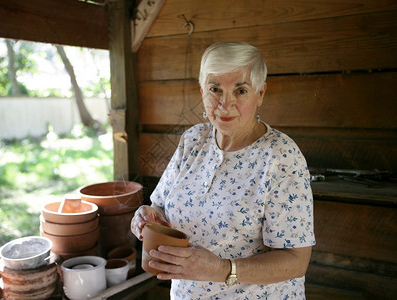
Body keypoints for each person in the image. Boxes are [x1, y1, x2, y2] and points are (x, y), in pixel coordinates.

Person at [131, 41, 316, 299]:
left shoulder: (281, 156)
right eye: (215, 89)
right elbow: (160, 206)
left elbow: (295, 261)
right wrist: (147, 216)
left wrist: (222, 269)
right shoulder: (194, 140)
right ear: (202, 90)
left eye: (240, 90)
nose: (225, 104)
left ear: (260, 94)